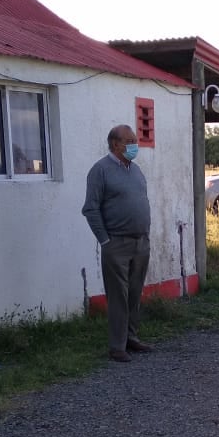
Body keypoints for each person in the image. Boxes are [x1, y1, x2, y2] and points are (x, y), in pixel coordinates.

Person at [82, 125, 153, 363]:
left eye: (135, 140)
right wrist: (105, 240)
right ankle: (117, 346)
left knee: (134, 293)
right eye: (129, 141)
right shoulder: (100, 171)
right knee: (119, 296)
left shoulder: (136, 171)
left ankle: (131, 337)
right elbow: (90, 208)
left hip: (140, 242)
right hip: (117, 244)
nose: (135, 145)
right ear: (115, 144)